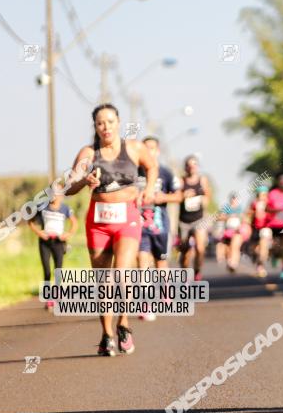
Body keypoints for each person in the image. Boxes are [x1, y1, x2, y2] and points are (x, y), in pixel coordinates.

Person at [64, 103, 157, 356]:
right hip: (98, 221)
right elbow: (68, 187)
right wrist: (84, 181)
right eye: (100, 123)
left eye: (110, 122)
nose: (106, 127)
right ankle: (106, 335)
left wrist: (148, 189)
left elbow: (151, 166)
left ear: (118, 122)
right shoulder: (88, 153)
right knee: (103, 282)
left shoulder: (134, 148)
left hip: (127, 217)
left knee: (123, 274)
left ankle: (123, 323)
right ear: (95, 126)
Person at [136, 136, 183, 321]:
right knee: (142, 262)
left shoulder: (165, 172)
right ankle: (146, 303)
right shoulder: (134, 172)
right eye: (145, 148)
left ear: (158, 151)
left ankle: (166, 290)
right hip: (139, 225)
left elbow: (178, 196)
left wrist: (163, 198)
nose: (149, 152)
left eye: (152, 148)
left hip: (160, 226)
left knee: (160, 263)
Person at [27, 193, 78, 310]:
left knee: (58, 270)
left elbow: (74, 223)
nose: (54, 195)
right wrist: (39, 233)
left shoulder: (65, 208)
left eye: (58, 193)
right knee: (47, 271)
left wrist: (68, 234)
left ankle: (57, 295)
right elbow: (30, 221)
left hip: (59, 243)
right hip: (45, 242)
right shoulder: (42, 206)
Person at [177, 155, 211, 281]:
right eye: (189, 165)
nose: (192, 167)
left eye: (194, 164)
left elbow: (208, 196)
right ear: (185, 167)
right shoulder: (181, 181)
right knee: (184, 251)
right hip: (184, 221)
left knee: (200, 248)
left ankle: (197, 271)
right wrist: (183, 195)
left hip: (199, 219)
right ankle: (185, 274)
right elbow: (175, 196)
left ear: (198, 166)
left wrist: (202, 199)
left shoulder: (202, 180)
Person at [247, 185, 272, 278]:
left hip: (265, 228)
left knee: (263, 245)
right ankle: (257, 260)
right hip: (255, 228)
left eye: (265, 194)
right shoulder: (254, 203)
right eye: (261, 194)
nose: (263, 196)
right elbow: (248, 215)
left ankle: (261, 266)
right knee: (255, 249)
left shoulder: (269, 203)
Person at [217, 192, 244, 273]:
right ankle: (229, 261)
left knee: (235, 246)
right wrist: (229, 216)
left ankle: (234, 263)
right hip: (228, 231)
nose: (234, 200)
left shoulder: (239, 208)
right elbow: (220, 217)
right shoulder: (227, 207)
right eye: (233, 198)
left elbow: (243, 218)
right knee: (228, 248)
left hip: (237, 230)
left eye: (235, 199)